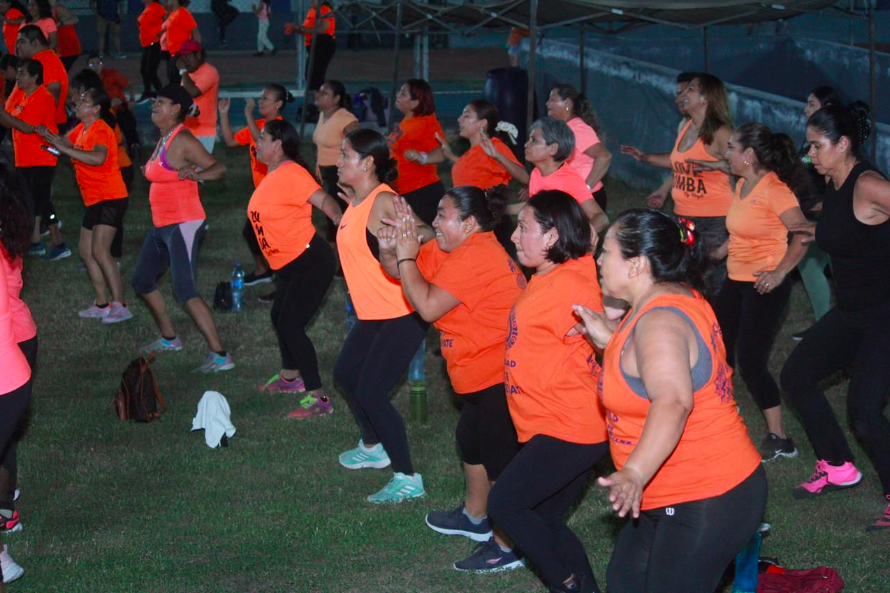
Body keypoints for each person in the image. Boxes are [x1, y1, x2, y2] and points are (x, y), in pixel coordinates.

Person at [575, 208, 766, 593]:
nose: (598, 259)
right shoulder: (669, 298)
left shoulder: (659, 321)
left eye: (607, 251)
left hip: (706, 493)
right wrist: (613, 341)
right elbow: (660, 371)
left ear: (637, 265)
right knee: (626, 583)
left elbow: (674, 400)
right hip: (669, 490)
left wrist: (634, 473)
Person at [378, 185, 526, 573]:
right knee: (470, 443)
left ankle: (507, 544)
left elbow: (426, 306)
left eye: (443, 216)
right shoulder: (453, 248)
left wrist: (407, 256)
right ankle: (475, 519)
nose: (436, 223)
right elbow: (402, 272)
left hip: (501, 373)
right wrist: (390, 248)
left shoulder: (476, 256)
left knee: (499, 462)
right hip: (478, 374)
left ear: (470, 223)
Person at [488, 191, 607, 593]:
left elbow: (610, 327)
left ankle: (567, 584)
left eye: (524, 228)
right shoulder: (553, 275)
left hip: (571, 427)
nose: (515, 236)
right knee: (545, 518)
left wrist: (609, 328)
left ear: (553, 236)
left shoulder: (573, 283)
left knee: (504, 504)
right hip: (554, 424)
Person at [780, 102, 890, 531]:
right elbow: (846, 233)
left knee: (863, 411)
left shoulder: (869, 184)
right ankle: (840, 466)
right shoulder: (836, 185)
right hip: (852, 313)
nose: (811, 156)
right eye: (807, 147)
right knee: (796, 376)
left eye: (817, 146)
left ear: (843, 144)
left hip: (884, 316)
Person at [694, 122, 808, 460]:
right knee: (717, 348)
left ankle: (781, 438)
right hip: (735, 280)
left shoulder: (776, 190)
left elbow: (802, 234)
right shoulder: (743, 183)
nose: (725, 153)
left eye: (731, 148)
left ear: (749, 155)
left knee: (751, 361)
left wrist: (779, 272)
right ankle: (719, 416)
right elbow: (740, 231)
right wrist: (713, 255)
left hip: (765, 287)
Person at [333, 128, 434, 503]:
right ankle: (373, 446)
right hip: (373, 313)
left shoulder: (384, 201)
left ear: (368, 162)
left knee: (372, 391)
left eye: (346, 155)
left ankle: (407, 477)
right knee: (345, 374)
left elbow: (425, 231)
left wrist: (410, 235)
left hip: (401, 311)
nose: (339, 161)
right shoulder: (361, 201)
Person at [133, 84, 231, 373]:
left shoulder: (183, 139)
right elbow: (164, 172)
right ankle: (169, 338)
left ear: (175, 109)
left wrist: (198, 173)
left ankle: (221, 356)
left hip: (183, 224)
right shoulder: (164, 138)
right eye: (154, 102)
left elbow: (219, 168)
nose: (154, 106)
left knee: (185, 290)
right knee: (142, 280)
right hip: (162, 225)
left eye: (160, 102)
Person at [247, 120, 342, 416]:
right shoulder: (273, 172)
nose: (257, 143)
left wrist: (345, 224)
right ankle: (290, 378)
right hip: (288, 265)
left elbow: (326, 202)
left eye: (262, 138)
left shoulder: (293, 173)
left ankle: (318, 399)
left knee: (291, 323)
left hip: (310, 261)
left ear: (278, 145)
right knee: (279, 315)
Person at [621, 73, 733, 300]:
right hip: (685, 217)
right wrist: (646, 158)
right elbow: (677, 162)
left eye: (690, 89)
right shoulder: (686, 126)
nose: (683, 94)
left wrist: (716, 165)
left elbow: (743, 167)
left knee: (709, 273)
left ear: (706, 98)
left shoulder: (722, 133)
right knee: (688, 268)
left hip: (714, 220)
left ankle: (714, 324)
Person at [39, 86, 132, 323]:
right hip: (94, 198)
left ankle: (120, 305)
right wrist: (49, 137)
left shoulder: (101, 129)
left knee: (101, 251)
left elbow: (98, 158)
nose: (77, 104)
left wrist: (66, 149)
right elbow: (63, 142)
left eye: (83, 102)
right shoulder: (82, 128)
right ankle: (102, 303)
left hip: (110, 196)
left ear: (96, 109)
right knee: (85, 250)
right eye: (78, 101)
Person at [219, 84, 293, 286]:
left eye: (265, 99)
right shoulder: (259, 124)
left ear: (278, 104)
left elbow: (261, 142)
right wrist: (224, 114)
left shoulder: (279, 127)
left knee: (271, 237)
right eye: (261, 98)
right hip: (262, 191)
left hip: (276, 191)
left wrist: (248, 113)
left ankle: (279, 279)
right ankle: (265, 271)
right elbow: (231, 141)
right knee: (252, 232)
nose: (260, 101)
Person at [0, 57, 69, 261]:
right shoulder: (19, 92)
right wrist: (6, 116)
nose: (18, 77)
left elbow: (24, 126)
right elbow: (9, 120)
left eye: (22, 74)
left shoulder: (43, 96)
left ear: (35, 77)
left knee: (41, 198)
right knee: (28, 199)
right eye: (18, 73)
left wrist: (4, 115)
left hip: (43, 154)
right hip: (24, 157)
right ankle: (35, 242)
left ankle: (59, 242)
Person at [0, 161, 36, 550]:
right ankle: (7, 509)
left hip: (11, 345)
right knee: (6, 441)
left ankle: (6, 512)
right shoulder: (9, 227)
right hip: (17, 337)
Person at [792, 85, 840, 340]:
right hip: (813, 215)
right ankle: (825, 327)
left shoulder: (838, 142)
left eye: (811, 104)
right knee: (809, 265)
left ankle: (833, 329)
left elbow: (848, 177)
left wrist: (830, 203)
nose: (805, 109)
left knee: (840, 272)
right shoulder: (812, 141)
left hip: (830, 216)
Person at [522, 117, 608, 246]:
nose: (526, 144)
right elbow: (534, 209)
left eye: (533, 140)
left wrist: (576, 239)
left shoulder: (569, 180)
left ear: (553, 148)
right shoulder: (536, 173)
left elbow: (601, 218)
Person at [546, 84, 612, 212]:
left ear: (567, 103)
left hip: (587, 199)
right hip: (571, 196)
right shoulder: (566, 127)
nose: (547, 103)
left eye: (552, 100)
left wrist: (585, 190)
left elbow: (604, 156)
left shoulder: (577, 128)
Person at [389, 79, 446, 227]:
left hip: (421, 192)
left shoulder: (425, 122)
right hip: (405, 190)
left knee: (426, 239)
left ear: (415, 103)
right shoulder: (409, 121)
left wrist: (423, 158)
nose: (397, 95)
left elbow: (443, 151)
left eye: (403, 93)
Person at [312, 79, 359, 241]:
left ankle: (340, 260)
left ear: (336, 99)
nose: (318, 94)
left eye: (324, 93)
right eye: (319, 91)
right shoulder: (322, 115)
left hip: (339, 176)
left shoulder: (346, 119)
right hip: (326, 175)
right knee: (331, 218)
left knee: (339, 219)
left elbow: (359, 145)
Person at [643, 72, 699, 209]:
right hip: (687, 208)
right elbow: (681, 164)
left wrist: (647, 158)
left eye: (683, 94)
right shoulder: (684, 125)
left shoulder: (717, 131)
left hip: (712, 213)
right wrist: (664, 190)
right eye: (678, 94)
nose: (677, 100)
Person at [15, 24, 68, 127]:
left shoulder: (46, 61)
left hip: (41, 129)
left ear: (35, 42)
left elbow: (53, 94)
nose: (17, 46)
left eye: (22, 42)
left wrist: (32, 125)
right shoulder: (42, 59)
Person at [177, 41, 218, 154]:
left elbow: (194, 92)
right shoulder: (187, 74)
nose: (184, 60)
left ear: (198, 55)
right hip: (187, 129)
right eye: (182, 56)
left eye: (188, 55)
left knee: (198, 170)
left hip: (203, 132)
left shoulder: (209, 71)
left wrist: (183, 71)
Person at [297, 0, 335, 96]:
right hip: (314, 45)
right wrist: (298, 29)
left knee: (315, 75)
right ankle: (316, 97)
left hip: (323, 44)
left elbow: (323, 28)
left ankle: (319, 98)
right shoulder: (312, 11)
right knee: (310, 75)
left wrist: (302, 29)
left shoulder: (324, 10)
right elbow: (307, 27)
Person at [160, 0, 198, 86]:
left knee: (177, 79)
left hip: (180, 52)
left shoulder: (183, 13)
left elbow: (195, 33)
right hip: (172, 52)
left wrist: (195, 52)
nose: (166, 3)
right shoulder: (172, 14)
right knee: (172, 78)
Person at [136, 0, 165, 103]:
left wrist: (161, 33)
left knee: (150, 70)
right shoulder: (147, 8)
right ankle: (148, 91)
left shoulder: (156, 7)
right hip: (148, 45)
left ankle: (161, 93)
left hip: (155, 44)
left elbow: (167, 19)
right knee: (145, 69)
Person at [51, 0, 80, 71]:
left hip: (68, 47)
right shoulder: (45, 10)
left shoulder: (58, 8)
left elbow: (75, 19)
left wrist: (60, 23)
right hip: (60, 47)